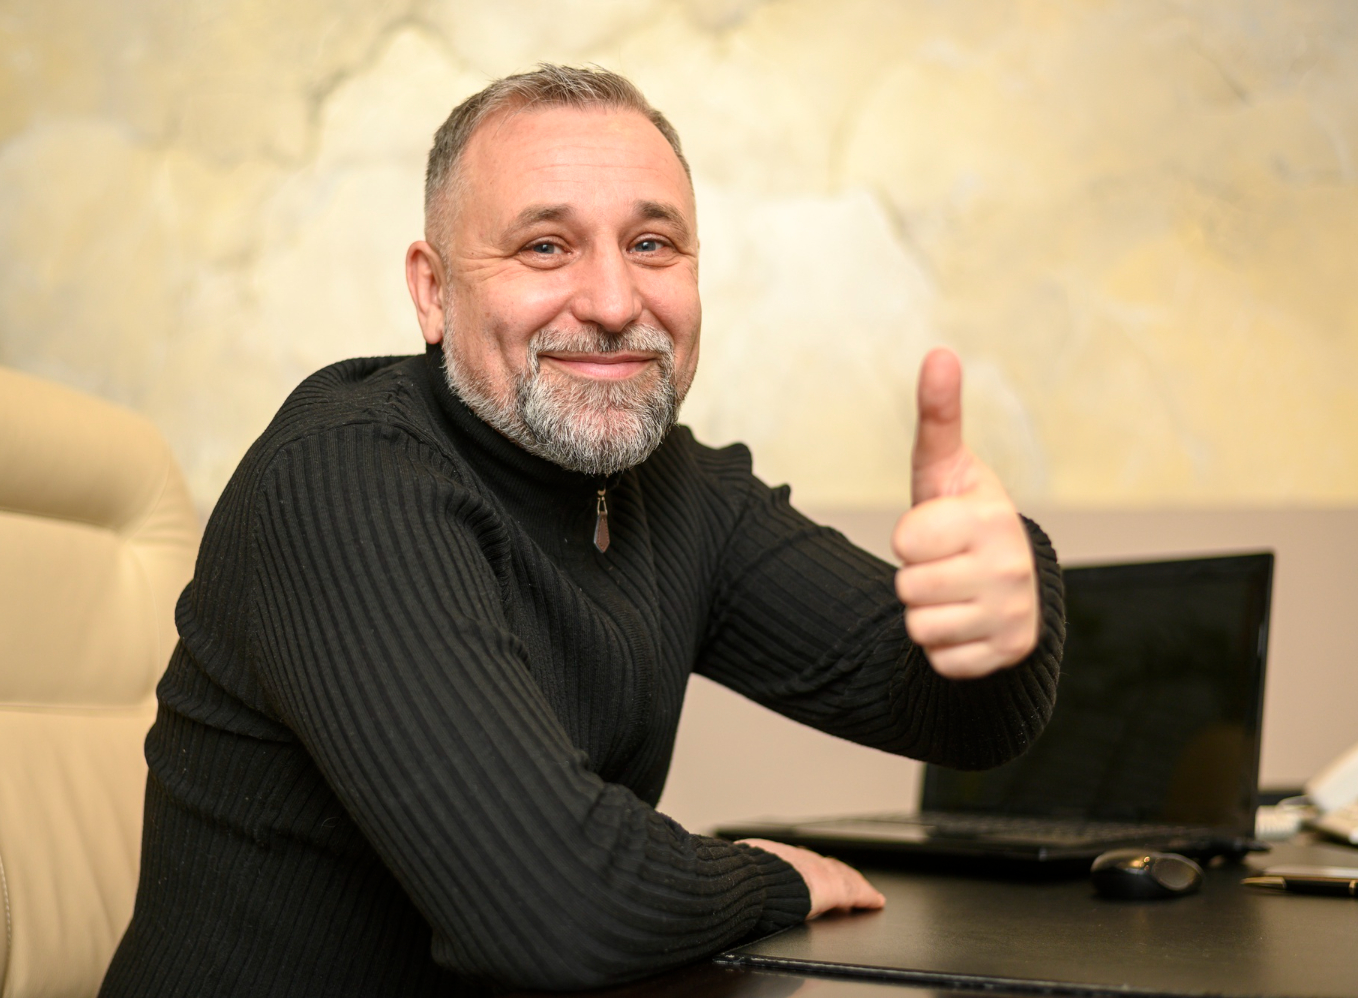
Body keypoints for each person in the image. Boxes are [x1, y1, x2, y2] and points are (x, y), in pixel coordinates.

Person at [100, 65, 1064, 998]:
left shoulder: (676, 486)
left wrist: (1008, 601)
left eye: (651, 246)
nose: (612, 304)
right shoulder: (342, 477)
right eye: (545, 248)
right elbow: (551, 911)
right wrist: (771, 878)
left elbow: (955, 717)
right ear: (434, 293)